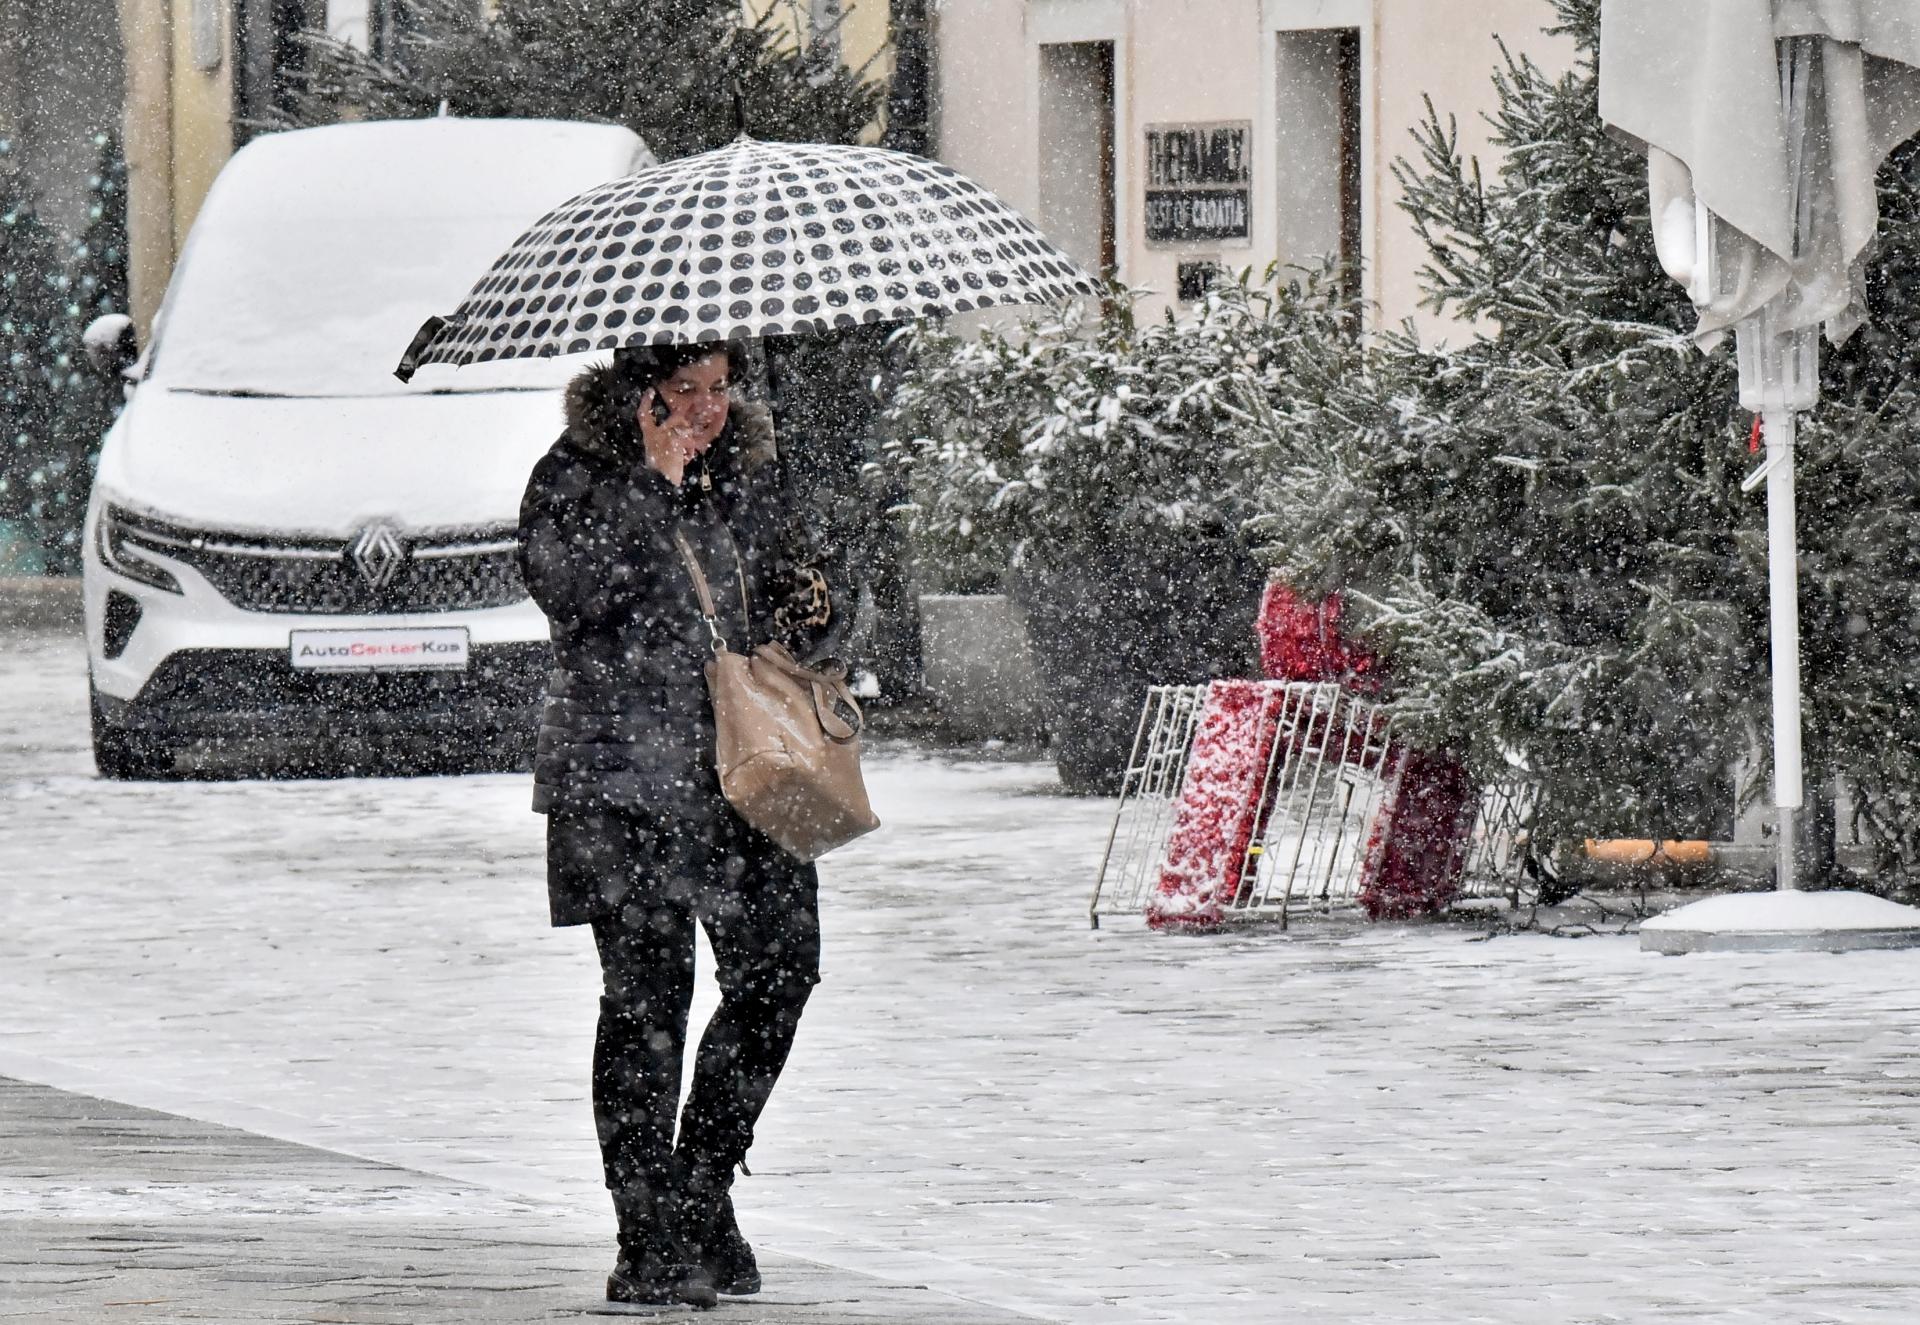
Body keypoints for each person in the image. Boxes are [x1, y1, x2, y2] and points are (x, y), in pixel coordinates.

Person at [517, 342, 845, 1310]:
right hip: (621, 780)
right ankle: (645, 1231)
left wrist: (818, 607)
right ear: (640, 393)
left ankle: (698, 1189)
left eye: (720, 387)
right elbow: (568, 592)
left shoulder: (751, 467)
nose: (707, 409)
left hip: (747, 773)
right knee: (646, 1003)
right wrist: (649, 488)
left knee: (782, 967)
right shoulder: (575, 474)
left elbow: (807, 596)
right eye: (685, 390)